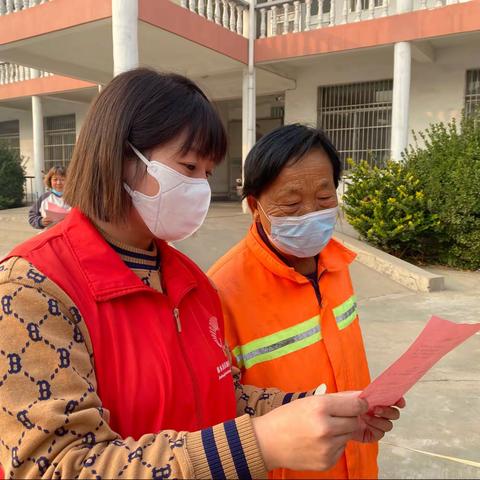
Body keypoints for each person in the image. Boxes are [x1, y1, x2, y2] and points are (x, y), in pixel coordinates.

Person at [0, 70, 403, 479]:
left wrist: (314, 410)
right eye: (188, 166)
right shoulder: (32, 290)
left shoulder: (191, 283)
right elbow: (55, 465)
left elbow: (218, 395)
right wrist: (260, 442)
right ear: (118, 155)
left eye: (207, 173)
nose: (200, 189)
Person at [209, 124, 394, 479]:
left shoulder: (337, 263)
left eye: (325, 198)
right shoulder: (221, 289)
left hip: (358, 459)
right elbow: (218, 407)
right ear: (254, 206)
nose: (311, 212)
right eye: (292, 203)